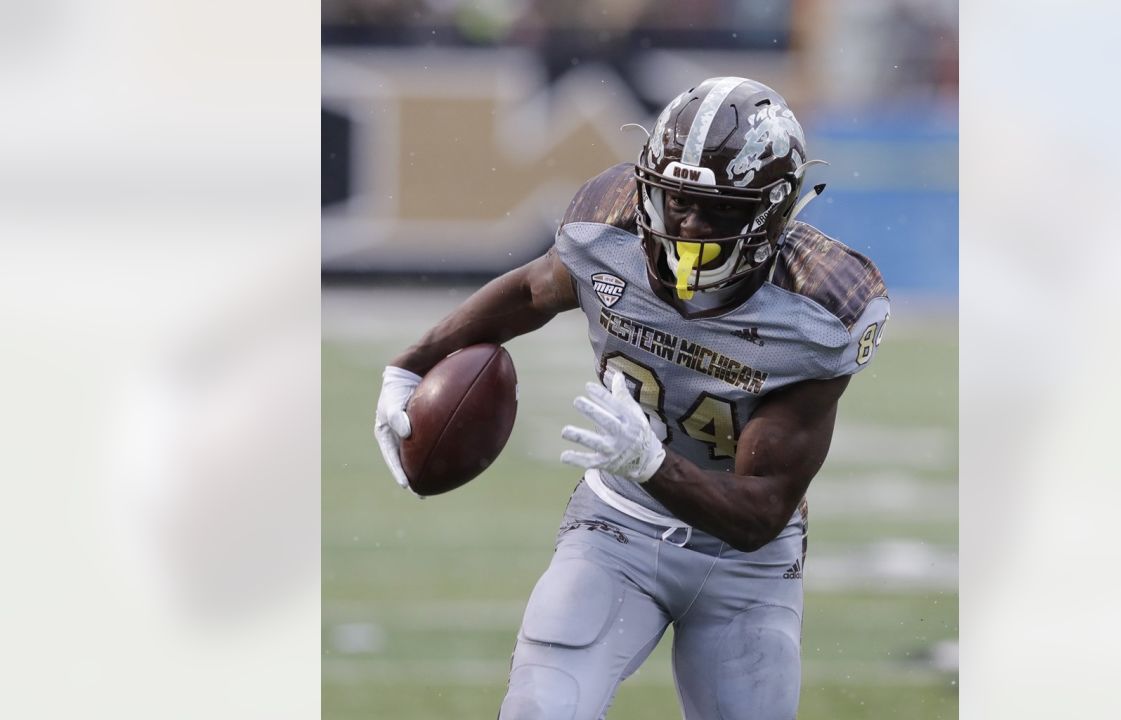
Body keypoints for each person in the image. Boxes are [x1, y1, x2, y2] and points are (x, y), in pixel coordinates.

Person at [374, 76, 889, 720]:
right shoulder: (608, 227)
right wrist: (409, 366)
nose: (692, 223)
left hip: (744, 569)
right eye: (677, 201)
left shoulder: (819, 309)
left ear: (776, 209)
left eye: (722, 208)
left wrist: (652, 460)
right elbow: (533, 292)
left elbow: (758, 514)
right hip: (615, 527)